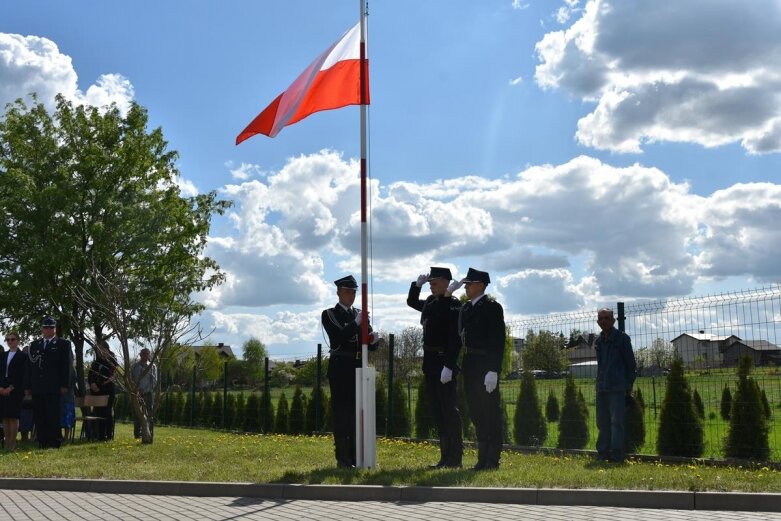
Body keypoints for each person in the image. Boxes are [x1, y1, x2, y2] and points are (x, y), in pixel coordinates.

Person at [407, 266, 463, 468]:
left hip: (443, 361)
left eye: (434, 282)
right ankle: (444, 458)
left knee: (449, 410)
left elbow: (455, 338)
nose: (431, 285)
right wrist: (416, 286)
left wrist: (449, 365)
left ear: (447, 282)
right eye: (429, 282)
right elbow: (412, 302)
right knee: (438, 412)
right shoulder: (431, 301)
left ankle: (455, 459)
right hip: (430, 362)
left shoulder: (454, 305)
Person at [321, 275, 379, 468]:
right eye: (347, 292)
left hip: (358, 366)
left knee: (357, 413)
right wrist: (356, 323)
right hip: (341, 367)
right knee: (342, 414)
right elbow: (338, 339)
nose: (351, 296)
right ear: (338, 293)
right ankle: (343, 458)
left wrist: (373, 339)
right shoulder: (330, 314)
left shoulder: (360, 314)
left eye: (354, 292)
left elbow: (367, 346)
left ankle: (356, 456)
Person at [455, 268, 505, 470]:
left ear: (481, 285)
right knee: (476, 412)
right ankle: (482, 457)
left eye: (469, 283)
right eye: (466, 284)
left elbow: (497, 339)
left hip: (486, 364)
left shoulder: (492, 307)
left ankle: (493, 459)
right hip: (470, 363)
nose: (466, 286)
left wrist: (494, 370)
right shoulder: (466, 308)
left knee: (490, 411)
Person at [595, 307, 637, 463]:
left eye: (607, 318)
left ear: (613, 320)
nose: (604, 321)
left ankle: (617, 455)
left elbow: (631, 365)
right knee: (602, 422)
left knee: (616, 423)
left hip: (618, 389)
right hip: (601, 388)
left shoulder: (622, 339)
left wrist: (627, 387)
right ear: (598, 322)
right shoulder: (599, 341)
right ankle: (602, 454)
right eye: (601, 318)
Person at [25, 316, 72, 449]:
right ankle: (42, 441)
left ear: (55, 329)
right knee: (40, 415)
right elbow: (30, 367)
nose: (48, 329)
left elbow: (66, 366)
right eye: (46, 327)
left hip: (54, 386)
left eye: (51, 327)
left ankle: (54, 442)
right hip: (38, 386)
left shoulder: (63, 344)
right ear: (42, 329)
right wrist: (28, 386)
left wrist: (64, 384)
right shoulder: (34, 345)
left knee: (53, 414)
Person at [1, 331, 27, 450]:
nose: (10, 341)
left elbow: (22, 375)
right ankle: (6, 443)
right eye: (8, 340)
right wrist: (1, 388)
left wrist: (11, 387)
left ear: (18, 341)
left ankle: (12, 443)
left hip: (15, 390)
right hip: (2, 390)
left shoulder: (23, 356)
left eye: (13, 339)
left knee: (13, 416)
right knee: (5, 417)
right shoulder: (2, 355)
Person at [88, 340, 118, 441]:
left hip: (108, 390)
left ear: (106, 349)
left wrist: (100, 385)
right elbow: (90, 375)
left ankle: (108, 436)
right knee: (99, 413)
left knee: (107, 413)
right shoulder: (96, 362)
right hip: (96, 392)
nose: (98, 351)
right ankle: (100, 436)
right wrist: (92, 384)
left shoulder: (112, 361)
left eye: (100, 349)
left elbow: (113, 376)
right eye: (97, 349)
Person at [131, 348, 158, 440]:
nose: (145, 355)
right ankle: (137, 434)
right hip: (137, 393)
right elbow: (132, 379)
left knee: (149, 413)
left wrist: (145, 390)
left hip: (148, 393)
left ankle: (149, 432)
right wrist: (137, 390)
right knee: (137, 413)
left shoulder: (153, 366)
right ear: (140, 355)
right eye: (143, 354)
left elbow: (154, 381)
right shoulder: (135, 366)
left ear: (149, 355)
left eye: (147, 354)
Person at [60, 349, 76, 443]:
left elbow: (72, 382)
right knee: (59, 416)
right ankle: (60, 435)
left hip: (68, 396)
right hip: (60, 396)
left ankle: (66, 437)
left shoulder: (72, 369)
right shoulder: (60, 368)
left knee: (67, 417)